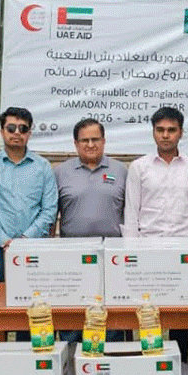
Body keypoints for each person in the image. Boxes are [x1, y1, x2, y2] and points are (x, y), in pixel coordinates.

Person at [123, 106, 188, 360]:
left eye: (171, 130)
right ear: (153, 133)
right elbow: (132, 212)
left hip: (184, 251)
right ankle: (153, 362)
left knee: (181, 313)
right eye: (160, 130)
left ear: (181, 133)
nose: (166, 135)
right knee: (151, 313)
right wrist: (131, 254)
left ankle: (181, 363)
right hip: (149, 250)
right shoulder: (139, 167)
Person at [54, 117, 129, 343]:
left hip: (112, 258)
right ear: (76, 144)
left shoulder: (121, 170)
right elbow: (51, 216)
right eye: (84, 140)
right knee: (74, 313)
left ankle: (112, 360)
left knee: (112, 314)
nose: (90, 144)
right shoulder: (60, 173)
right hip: (72, 258)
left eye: (95, 139)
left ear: (104, 141)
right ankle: (72, 358)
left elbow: (132, 212)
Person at [0, 106, 58, 285]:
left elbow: (49, 210)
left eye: (23, 128)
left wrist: (25, 240)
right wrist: (4, 241)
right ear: (2, 131)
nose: (17, 133)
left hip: (34, 247)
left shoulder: (43, 167)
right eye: (11, 128)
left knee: (35, 304)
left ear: (29, 133)